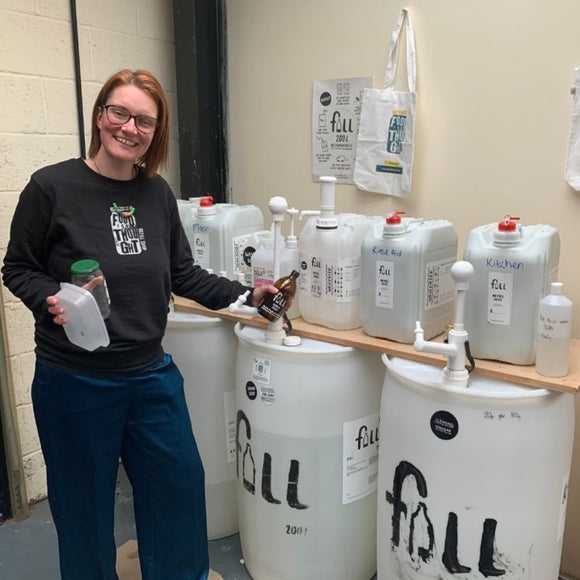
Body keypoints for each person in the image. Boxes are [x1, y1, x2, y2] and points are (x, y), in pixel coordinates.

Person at [2, 69, 277, 580]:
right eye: (119, 113)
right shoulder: (51, 187)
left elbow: (182, 273)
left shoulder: (156, 195)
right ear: (99, 115)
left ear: (156, 132)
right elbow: (17, 268)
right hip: (75, 380)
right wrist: (51, 299)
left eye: (144, 121)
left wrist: (246, 295)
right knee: (83, 508)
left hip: (150, 375)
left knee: (178, 488)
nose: (129, 128)